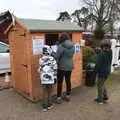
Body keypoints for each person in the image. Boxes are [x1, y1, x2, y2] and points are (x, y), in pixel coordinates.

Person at [56, 32, 75, 103]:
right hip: (70, 66)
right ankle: (67, 95)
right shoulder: (72, 45)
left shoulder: (61, 46)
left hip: (61, 66)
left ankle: (58, 97)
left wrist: (52, 53)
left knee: (60, 82)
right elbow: (72, 54)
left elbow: (57, 56)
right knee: (68, 80)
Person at [38, 45, 57, 111]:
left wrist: (41, 76)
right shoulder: (52, 59)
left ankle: (44, 106)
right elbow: (55, 69)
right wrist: (55, 77)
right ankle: (49, 105)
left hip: (43, 78)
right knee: (50, 91)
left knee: (44, 92)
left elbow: (39, 69)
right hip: (50, 78)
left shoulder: (40, 59)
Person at [94, 39, 112, 104]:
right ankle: (105, 97)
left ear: (102, 46)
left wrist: (94, 72)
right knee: (103, 83)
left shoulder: (101, 54)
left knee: (99, 85)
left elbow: (98, 64)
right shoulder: (110, 51)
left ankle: (100, 99)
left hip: (102, 72)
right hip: (107, 71)